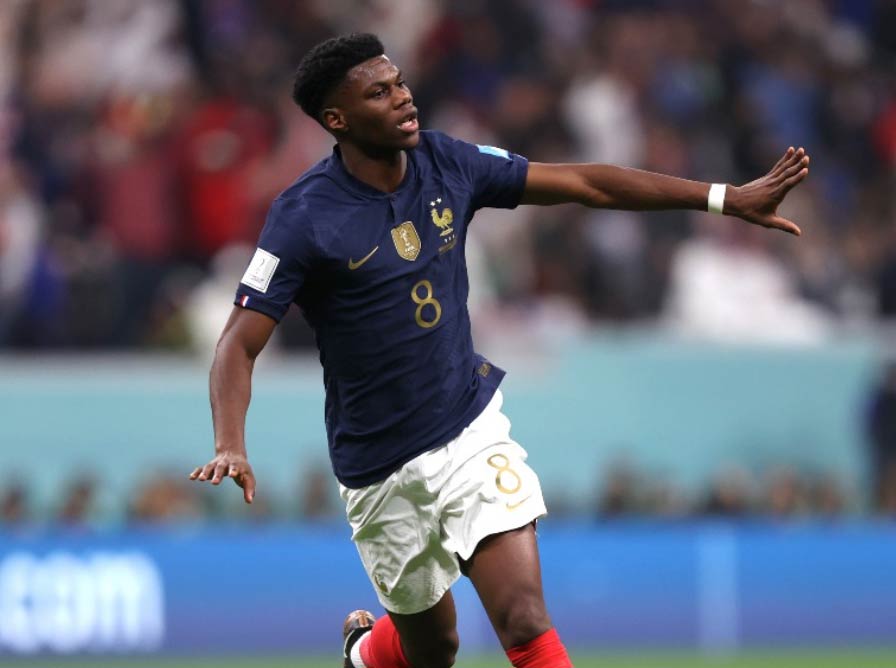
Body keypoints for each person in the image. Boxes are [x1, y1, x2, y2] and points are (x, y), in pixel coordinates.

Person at [189, 33, 810, 668]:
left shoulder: (448, 163)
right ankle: (367, 655)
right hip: (376, 467)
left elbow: (585, 184)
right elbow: (238, 343)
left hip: (468, 430)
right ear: (336, 120)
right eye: (379, 93)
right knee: (434, 649)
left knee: (523, 619)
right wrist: (230, 443)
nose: (403, 98)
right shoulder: (303, 217)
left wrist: (723, 198)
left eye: (399, 82)